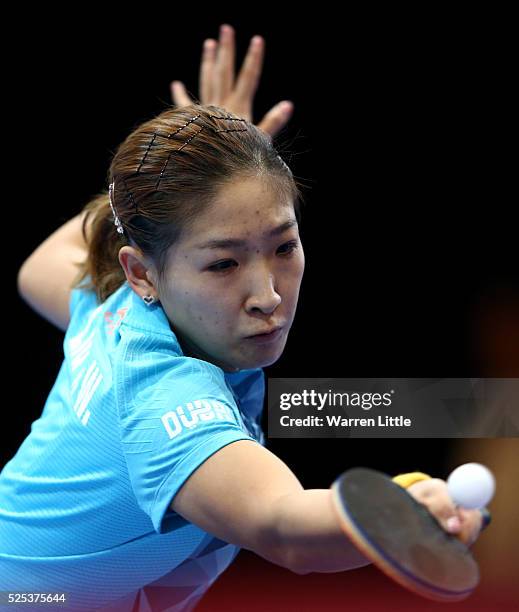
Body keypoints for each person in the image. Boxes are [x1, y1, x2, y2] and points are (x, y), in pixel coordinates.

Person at [2, 24, 484, 612]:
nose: (268, 296)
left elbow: (37, 269)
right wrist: (397, 511)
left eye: (284, 247)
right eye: (223, 263)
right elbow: (280, 524)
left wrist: (185, 165)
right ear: (143, 272)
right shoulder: (159, 394)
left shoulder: (114, 303)